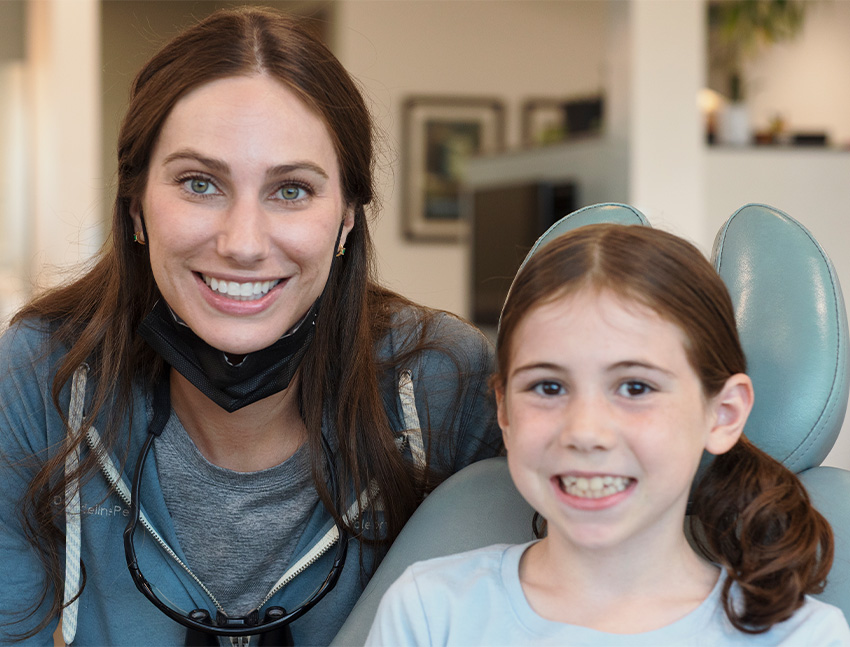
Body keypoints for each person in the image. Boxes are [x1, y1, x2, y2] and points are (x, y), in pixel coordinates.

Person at [0, 7, 501, 646]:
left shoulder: (438, 384)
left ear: (348, 216)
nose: (242, 243)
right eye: (199, 183)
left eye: (291, 190)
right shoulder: (41, 375)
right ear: (136, 206)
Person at [365, 224, 850, 646]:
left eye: (636, 387)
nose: (586, 432)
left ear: (722, 414)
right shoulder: (429, 613)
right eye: (548, 387)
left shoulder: (804, 637)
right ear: (505, 413)